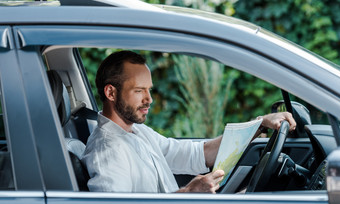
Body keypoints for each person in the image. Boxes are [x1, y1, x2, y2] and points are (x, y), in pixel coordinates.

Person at [81, 50, 296, 194]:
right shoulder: (107, 152)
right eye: (139, 91)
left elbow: (194, 153)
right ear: (111, 92)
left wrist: (259, 125)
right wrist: (188, 194)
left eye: (149, 90)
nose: (149, 99)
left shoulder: (136, 131)